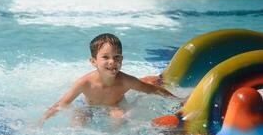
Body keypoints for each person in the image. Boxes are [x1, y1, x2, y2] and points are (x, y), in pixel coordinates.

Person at [39, 33, 179, 127]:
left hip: (114, 105)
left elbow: (153, 90)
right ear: (93, 61)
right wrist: (41, 120)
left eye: (117, 57)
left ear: (122, 59)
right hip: (89, 106)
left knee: (118, 117)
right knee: (77, 120)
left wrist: (177, 100)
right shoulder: (84, 83)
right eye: (105, 57)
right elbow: (62, 104)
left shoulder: (126, 81)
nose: (112, 61)